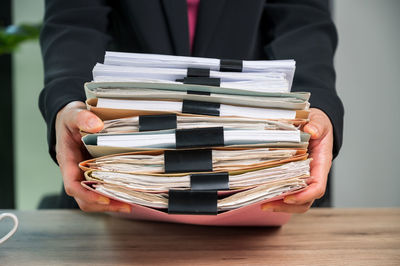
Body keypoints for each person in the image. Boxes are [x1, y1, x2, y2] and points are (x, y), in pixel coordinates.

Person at [39, 0, 344, 214]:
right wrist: (70, 103)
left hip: (260, 180)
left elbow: (304, 21)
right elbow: (74, 22)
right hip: (122, 174)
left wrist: (315, 105)